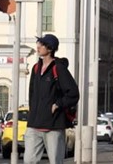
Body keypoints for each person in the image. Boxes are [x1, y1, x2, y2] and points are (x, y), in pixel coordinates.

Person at [25, 34, 79, 164]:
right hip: (34, 125)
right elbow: (32, 94)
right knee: (29, 161)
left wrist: (57, 104)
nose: (38, 47)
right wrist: (33, 112)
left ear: (50, 49)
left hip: (53, 126)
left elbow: (73, 93)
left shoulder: (58, 68)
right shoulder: (36, 68)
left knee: (55, 161)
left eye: (42, 45)